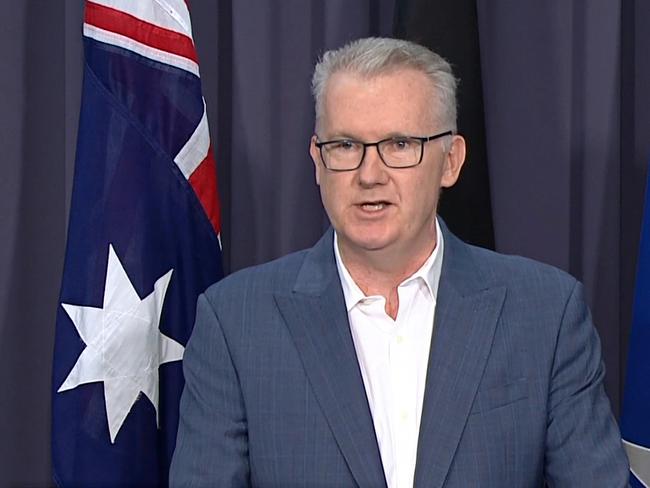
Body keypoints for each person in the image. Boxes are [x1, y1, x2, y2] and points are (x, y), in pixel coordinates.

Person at [170, 37, 628, 487]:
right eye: (346, 145)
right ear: (317, 160)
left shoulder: (545, 314)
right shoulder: (236, 322)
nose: (370, 175)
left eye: (400, 144)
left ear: (451, 161)